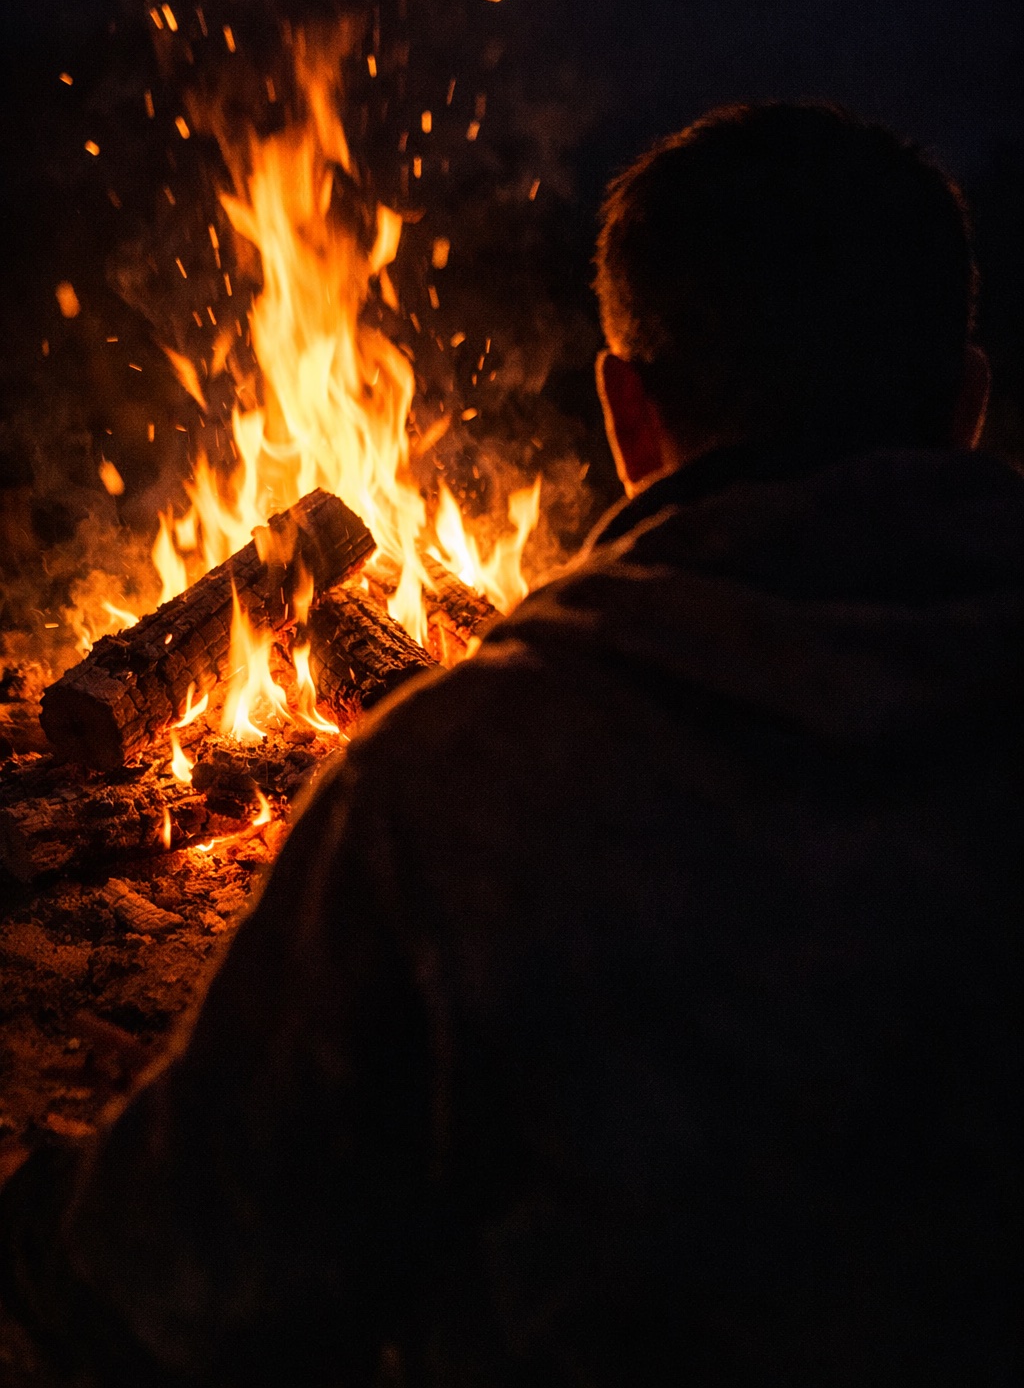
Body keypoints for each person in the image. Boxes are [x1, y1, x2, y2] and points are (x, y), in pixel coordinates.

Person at [1, 102, 1020, 1386]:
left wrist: (51, 1202)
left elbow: (158, 1286)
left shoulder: (471, 771)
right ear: (968, 402)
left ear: (624, 411)